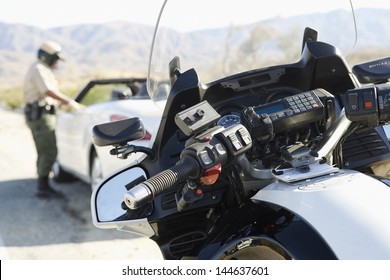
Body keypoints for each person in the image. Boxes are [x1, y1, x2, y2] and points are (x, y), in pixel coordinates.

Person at [23, 40, 82, 199]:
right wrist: (68, 102)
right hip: (41, 117)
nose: (57, 63)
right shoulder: (39, 69)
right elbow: (48, 91)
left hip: (43, 114)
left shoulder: (42, 69)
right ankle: (43, 187)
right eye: (55, 59)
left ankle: (44, 184)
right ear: (47, 57)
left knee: (46, 150)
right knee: (48, 151)